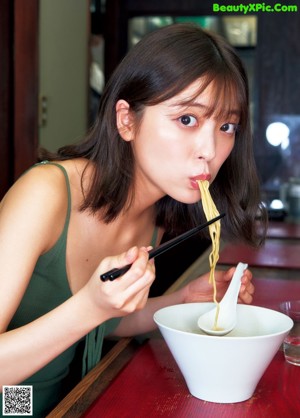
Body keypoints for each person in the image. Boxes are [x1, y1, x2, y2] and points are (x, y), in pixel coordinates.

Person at [0, 23, 267, 417]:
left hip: (60, 404)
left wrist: (183, 300)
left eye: (226, 126)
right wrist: (90, 307)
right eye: (187, 120)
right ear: (126, 120)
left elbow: (103, 322)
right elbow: (87, 316)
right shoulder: (46, 194)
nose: (210, 150)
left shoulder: (154, 212)